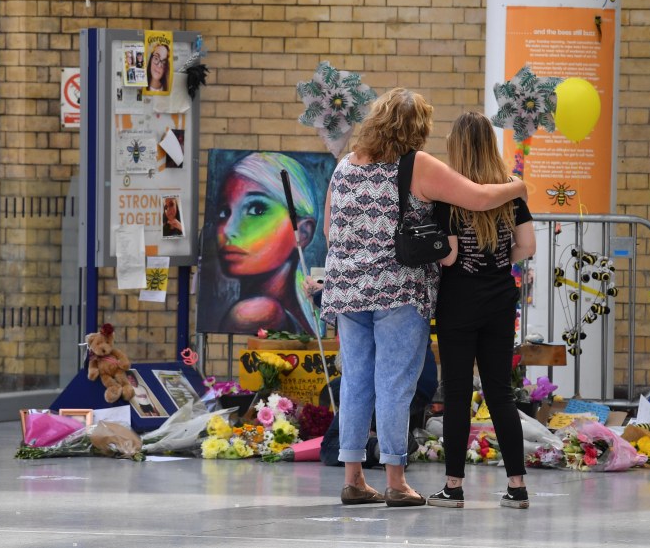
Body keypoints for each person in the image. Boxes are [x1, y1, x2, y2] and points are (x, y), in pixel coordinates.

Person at [320, 88, 527, 508]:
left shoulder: (344, 166)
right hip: (398, 290)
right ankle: (396, 480)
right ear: (418, 128)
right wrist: (519, 185)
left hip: (346, 291)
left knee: (357, 382)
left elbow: (329, 229)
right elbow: (481, 197)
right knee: (395, 384)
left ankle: (354, 479)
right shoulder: (415, 165)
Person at [427, 111, 536, 509]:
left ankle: (453, 487)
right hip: (500, 301)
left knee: (456, 395)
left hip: (458, 304)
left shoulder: (449, 193)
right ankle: (517, 487)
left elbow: (451, 256)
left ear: (456, 146)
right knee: (501, 394)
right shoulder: (510, 190)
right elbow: (526, 248)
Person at [215, 152, 318, 334]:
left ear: (302, 233)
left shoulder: (259, 312)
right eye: (224, 212)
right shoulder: (309, 317)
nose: (227, 230)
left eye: (256, 209)